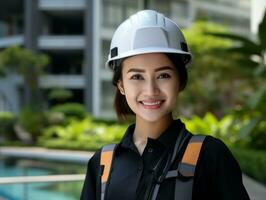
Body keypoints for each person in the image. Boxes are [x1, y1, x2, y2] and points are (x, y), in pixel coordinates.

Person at [80, 10, 250, 200]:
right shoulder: (102, 163)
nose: (151, 90)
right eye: (137, 77)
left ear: (180, 81)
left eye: (163, 75)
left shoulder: (210, 156)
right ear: (121, 85)